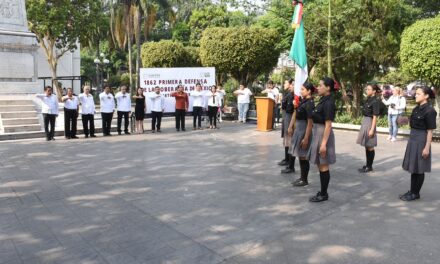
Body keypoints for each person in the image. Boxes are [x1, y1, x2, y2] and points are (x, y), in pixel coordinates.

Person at [400, 86, 437, 201]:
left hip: (422, 139)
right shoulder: (416, 108)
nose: (415, 95)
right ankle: (412, 191)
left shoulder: (430, 111)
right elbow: (412, 122)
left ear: (426, 96)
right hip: (413, 138)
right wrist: (403, 120)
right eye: (416, 93)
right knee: (413, 167)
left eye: (418, 93)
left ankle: (416, 193)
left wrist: (427, 147)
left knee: (420, 167)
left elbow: (430, 131)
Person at [308, 77, 337, 202]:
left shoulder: (329, 103)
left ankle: (324, 194)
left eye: (320, 85)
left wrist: (324, 144)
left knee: (324, 165)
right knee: (321, 165)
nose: (317, 87)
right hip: (318, 133)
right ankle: (323, 191)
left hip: (323, 134)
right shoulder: (323, 100)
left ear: (328, 88)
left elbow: (328, 124)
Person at [290, 82, 315, 187]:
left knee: (304, 156)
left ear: (309, 91)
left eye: (303, 89)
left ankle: (304, 180)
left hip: (304, 129)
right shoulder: (304, 101)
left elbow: (310, 122)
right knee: (301, 155)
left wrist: (306, 138)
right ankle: (302, 178)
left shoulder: (309, 103)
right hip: (299, 129)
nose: (301, 91)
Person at [356, 84, 381, 173]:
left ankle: (369, 166)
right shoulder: (368, 99)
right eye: (366, 89)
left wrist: (372, 129)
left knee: (370, 146)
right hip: (365, 122)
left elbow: (375, 117)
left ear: (374, 91)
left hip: (370, 123)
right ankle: (367, 164)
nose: (367, 90)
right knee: (367, 146)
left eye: (369, 89)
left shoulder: (375, 101)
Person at [281, 79, 299, 174]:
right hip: (287, 117)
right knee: (287, 140)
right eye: (291, 84)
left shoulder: (296, 97)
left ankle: (290, 165)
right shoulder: (288, 94)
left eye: (293, 85)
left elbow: (294, 112)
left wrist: (291, 125)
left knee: (291, 142)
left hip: (291, 118)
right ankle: (288, 161)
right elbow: (283, 105)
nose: (291, 86)